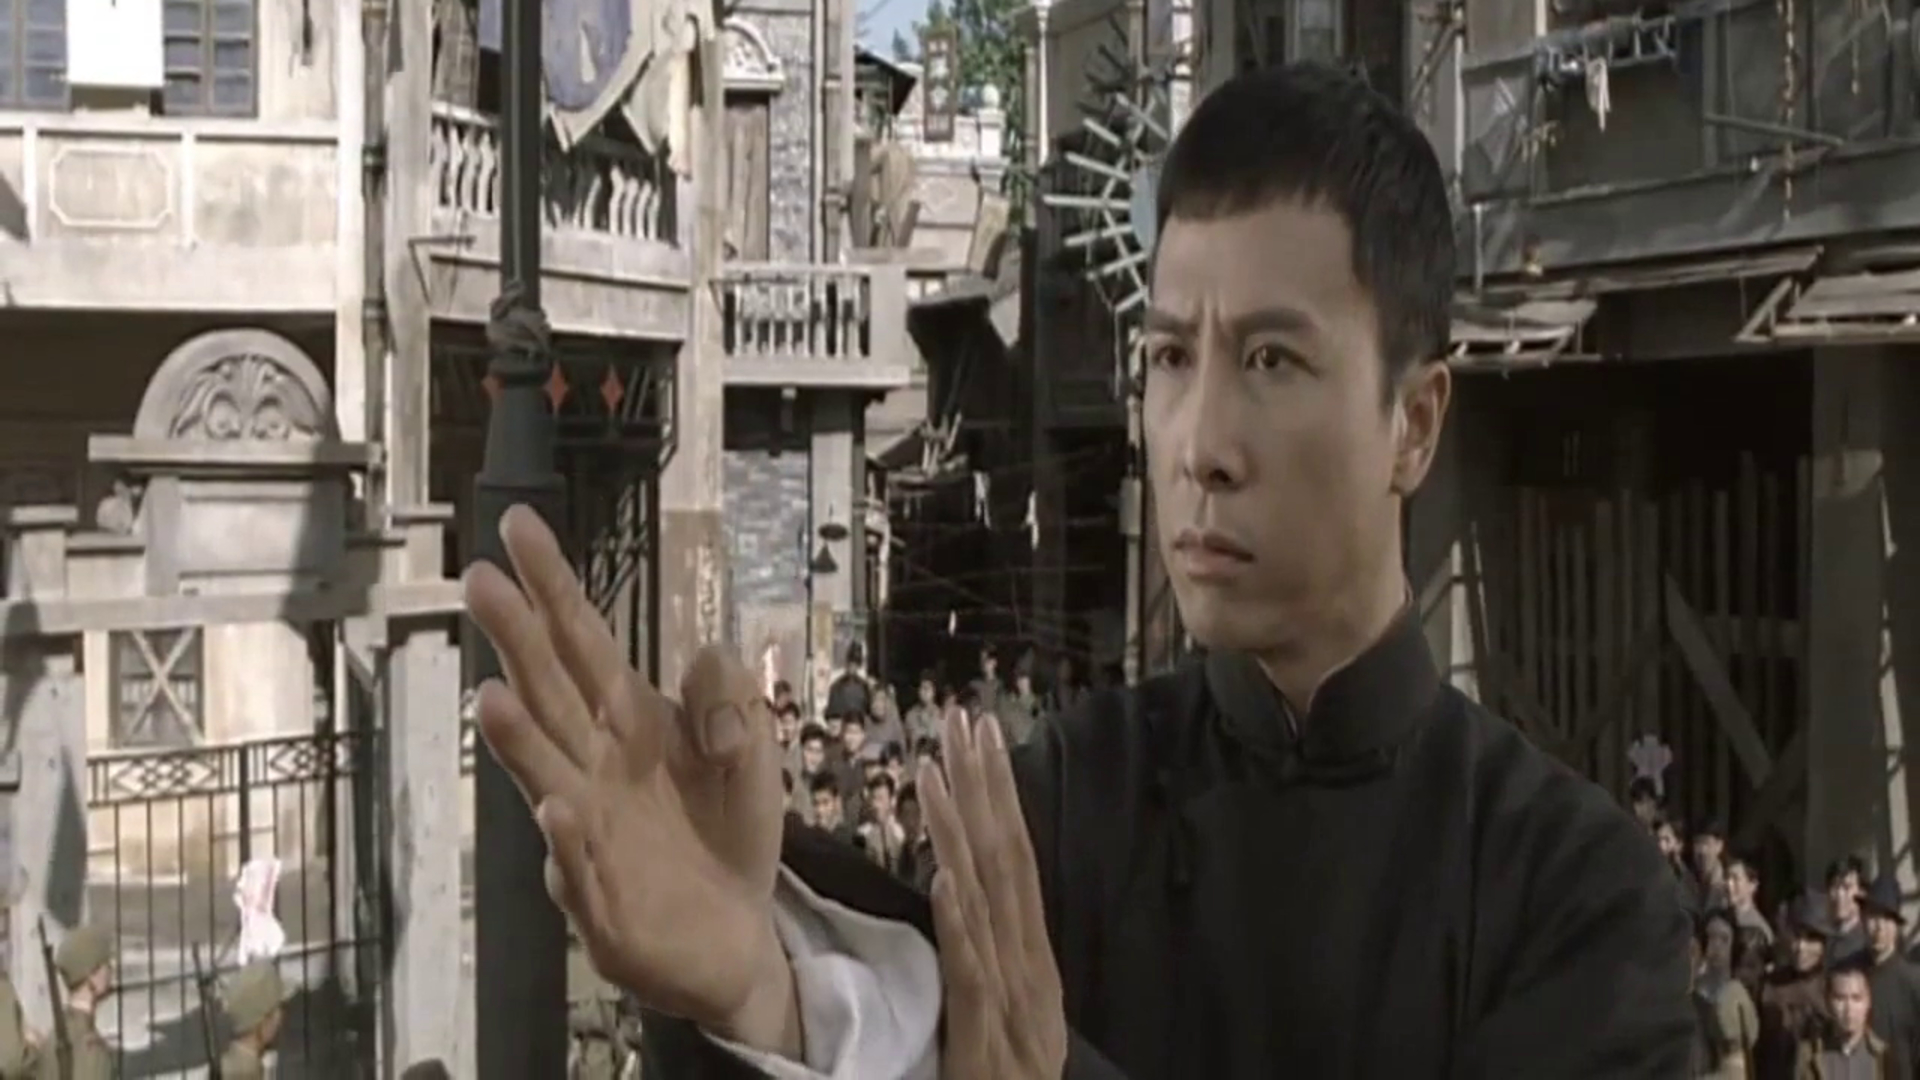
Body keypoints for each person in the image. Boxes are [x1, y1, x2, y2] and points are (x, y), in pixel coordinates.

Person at [462, 63, 1690, 1079]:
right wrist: (745, 989)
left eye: (1271, 361)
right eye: (1170, 357)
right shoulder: (1049, 815)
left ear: (1412, 424)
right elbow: (872, 1027)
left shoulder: (1577, 901)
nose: (1200, 445)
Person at [1860, 875, 1920, 1078]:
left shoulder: (1913, 981)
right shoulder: (1851, 974)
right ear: (1863, 920)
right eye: (1873, 917)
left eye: (1887, 919)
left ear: (1896, 925)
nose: (1879, 927)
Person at [1794, 962, 1892, 1077]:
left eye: (1856, 998)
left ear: (1868, 1002)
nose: (1849, 1009)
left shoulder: (1883, 1057)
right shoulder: (1809, 1055)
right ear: (1828, 1002)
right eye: (1840, 998)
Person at [1693, 909, 1759, 1078]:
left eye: (1724, 939)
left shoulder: (1738, 995)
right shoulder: (1692, 994)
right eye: (1711, 937)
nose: (1717, 946)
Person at [49, 924, 114, 1080]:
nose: (111, 970)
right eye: (106, 964)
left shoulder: (51, 1039)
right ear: (93, 977)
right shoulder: (91, 1050)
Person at [218, 959, 289, 1079]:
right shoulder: (244, 1072)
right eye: (275, 1011)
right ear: (262, 1021)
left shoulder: (239, 1060)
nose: (280, 1018)